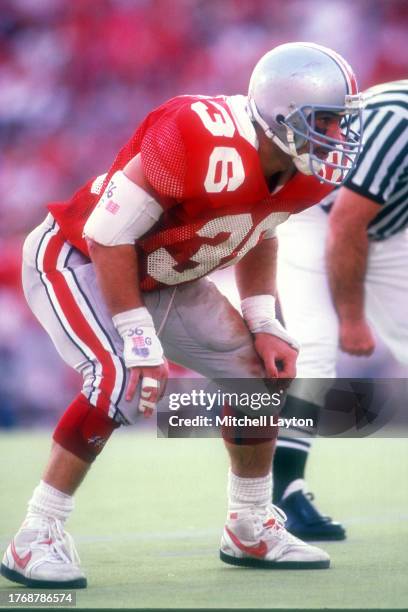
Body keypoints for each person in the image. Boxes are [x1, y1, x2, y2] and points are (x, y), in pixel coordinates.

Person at [0, 42, 362, 588]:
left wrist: (262, 320)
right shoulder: (198, 132)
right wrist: (139, 340)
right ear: (281, 112)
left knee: (259, 380)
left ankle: (249, 523)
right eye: (327, 122)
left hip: (167, 275)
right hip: (81, 256)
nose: (336, 137)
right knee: (120, 376)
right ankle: (36, 534)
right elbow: (109, 235)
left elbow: (259, 228)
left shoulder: (302, 173)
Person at [273, 79, 408, 540]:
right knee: (315, 348)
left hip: (387, 227)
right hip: (319, 217)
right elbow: (347, 223)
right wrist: (352, 318)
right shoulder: (397, 121)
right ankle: (282, 492)